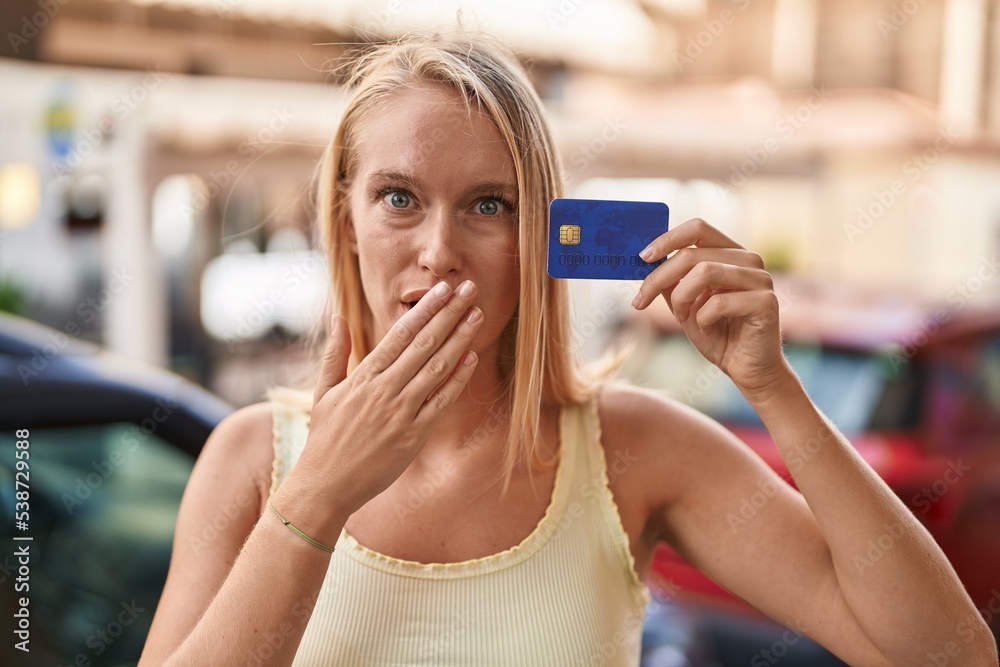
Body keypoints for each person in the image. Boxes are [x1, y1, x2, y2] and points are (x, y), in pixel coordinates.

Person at [139, 33, 998, 667]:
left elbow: (949, 655)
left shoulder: (630, 449)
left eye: (489, 206)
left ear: (543, 237)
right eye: (399, 196)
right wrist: (317, 498)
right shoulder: (251, 460)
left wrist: (777, 392)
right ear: (344, 220)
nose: (439, 249)